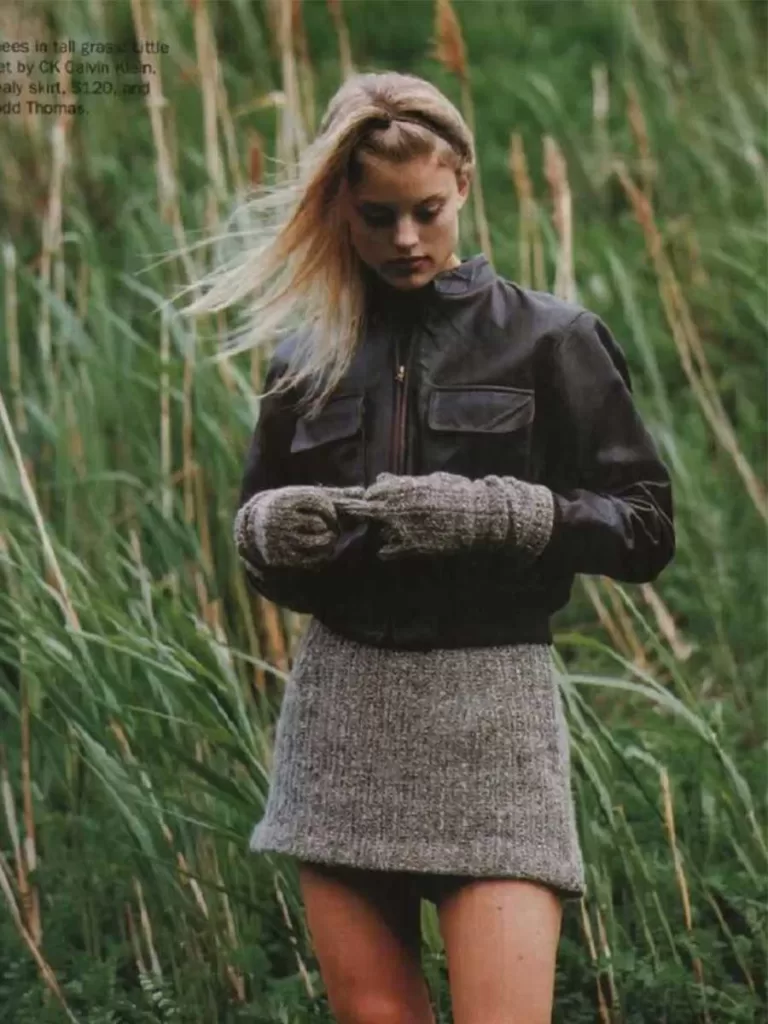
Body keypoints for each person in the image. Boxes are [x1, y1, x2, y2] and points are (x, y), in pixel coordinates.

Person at [182, 71, 675, 1024]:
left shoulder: (553, 338)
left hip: (492, 718)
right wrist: (269, 533)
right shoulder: (303, 359)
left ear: (464, 186)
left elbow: (647, 526)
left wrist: (506, 515)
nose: (406, 238)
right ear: (342, 208)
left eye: (427, 211)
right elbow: (257, 546)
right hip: (343, 722)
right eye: (377, 216)